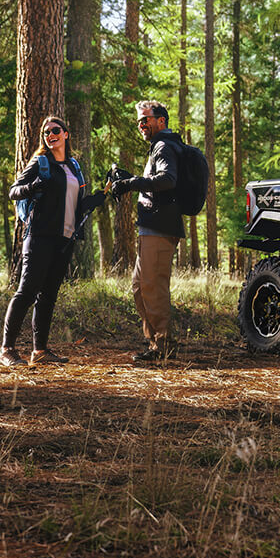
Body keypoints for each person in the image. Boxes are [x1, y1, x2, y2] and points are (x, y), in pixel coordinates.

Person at [0, 116, 105, 367]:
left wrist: (99, 197)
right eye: (46, 132)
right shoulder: (40, 161)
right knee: (26, 292)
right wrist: (33, 185)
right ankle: (6, 349)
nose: (50, 135)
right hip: (39, 236)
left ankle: (40, 351)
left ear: (66, 134)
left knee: (48, 296)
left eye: (55, 130)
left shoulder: (73, 166)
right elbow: (14, 190)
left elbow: (77, 204)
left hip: (64, 238)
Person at [107, 100, 184, 363]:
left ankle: (164, 347)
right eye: (139, 121)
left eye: (146, 119)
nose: (141, 125)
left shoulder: (164, 146)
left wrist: (130, 183)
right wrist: (129, 179)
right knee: (140, 287)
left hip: (161, 227)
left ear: (161, 120)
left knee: (153, 286)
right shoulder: (158, 148)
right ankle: (155, 344)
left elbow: (168, 180)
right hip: (152, 227)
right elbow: (155, 183)